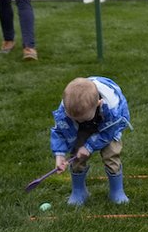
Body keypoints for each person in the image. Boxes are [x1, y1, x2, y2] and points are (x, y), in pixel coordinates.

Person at [50, 76, 131, 205]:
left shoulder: (112, 107)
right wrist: (59, 155)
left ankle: (117, 191)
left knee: (112, 154)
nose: (79, 120)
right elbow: (59, 131)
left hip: (107, 127)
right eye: (75, 118)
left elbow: (108, 133)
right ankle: (79, 191)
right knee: (76, 156)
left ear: (98, 104)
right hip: (81, 130)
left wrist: (89, 146)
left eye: (83, 118)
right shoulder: (66, 109)